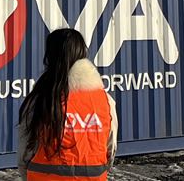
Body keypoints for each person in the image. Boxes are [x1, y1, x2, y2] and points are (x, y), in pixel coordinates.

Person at [17, 28, 117, 180]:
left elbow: (25, 151)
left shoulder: (40, 99)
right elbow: (110, 148)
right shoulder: (105, 100)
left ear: (50, 57)